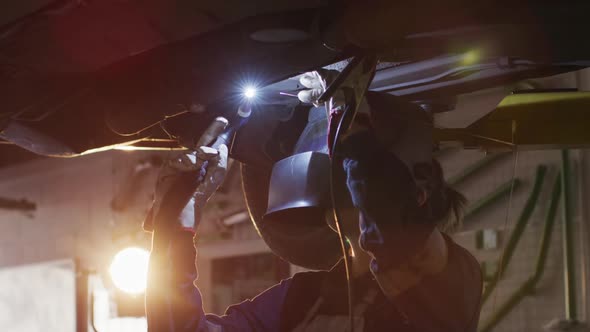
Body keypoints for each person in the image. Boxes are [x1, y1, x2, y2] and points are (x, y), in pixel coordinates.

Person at [144, 74, 483, 331]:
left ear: (416, 194)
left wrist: (351, 117)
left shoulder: (452, 287)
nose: (330, 173)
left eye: (339, 159)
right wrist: (176, 221)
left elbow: (395, 238)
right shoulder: (304, 299)